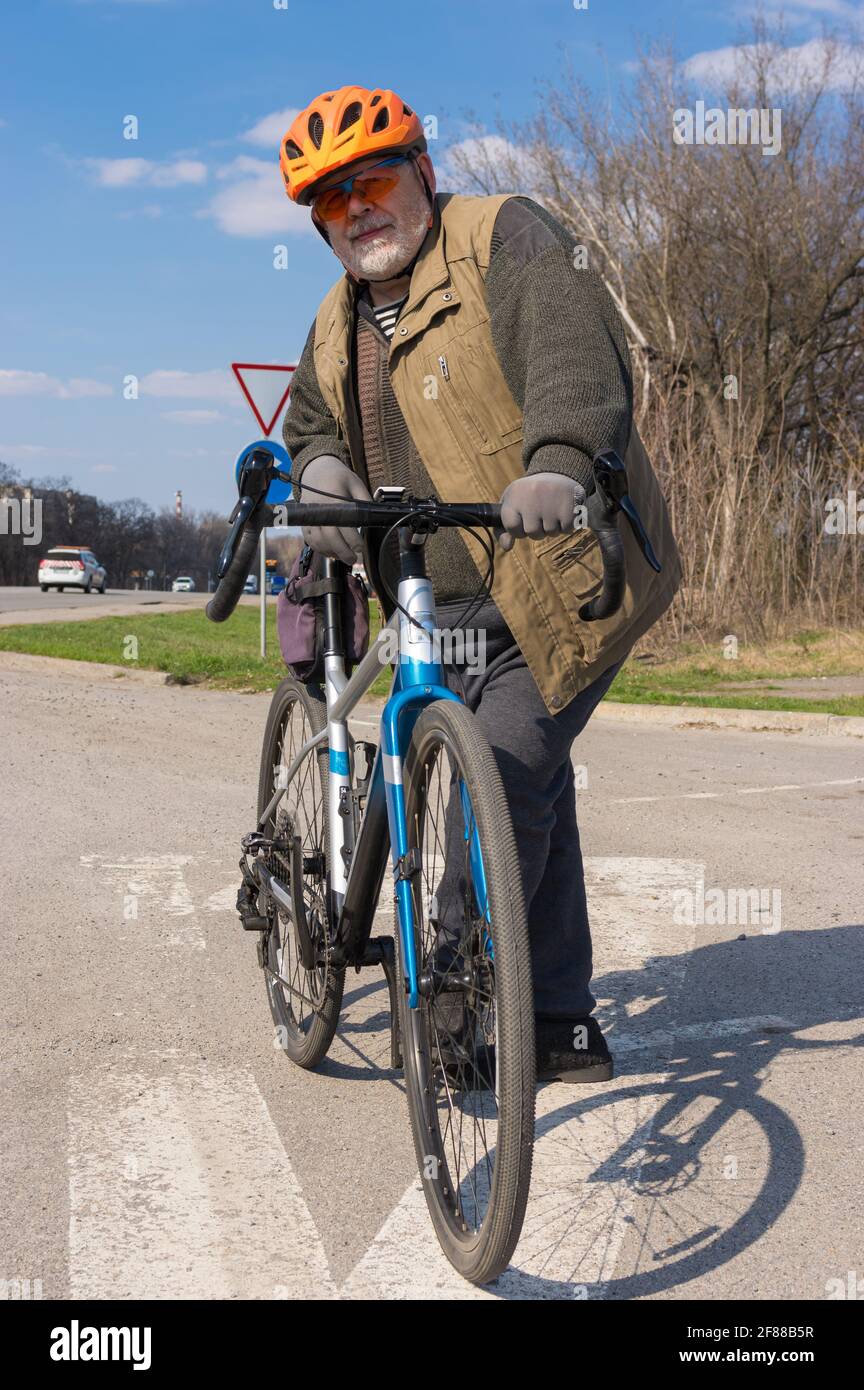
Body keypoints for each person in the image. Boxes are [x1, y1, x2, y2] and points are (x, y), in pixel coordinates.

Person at [280, 86, 681, 1082]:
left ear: (422, 170)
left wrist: (557, 460)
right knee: (527, 787)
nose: (358, 210)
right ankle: (558, 1020)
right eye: (333, 203)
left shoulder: (505, 236)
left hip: (556, 584)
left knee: (496, 775)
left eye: (372, 182)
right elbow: (312, 426)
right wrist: (320, 473)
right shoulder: (335, 324)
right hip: (427, 600)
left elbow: (573, 361)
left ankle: (451, 1011)